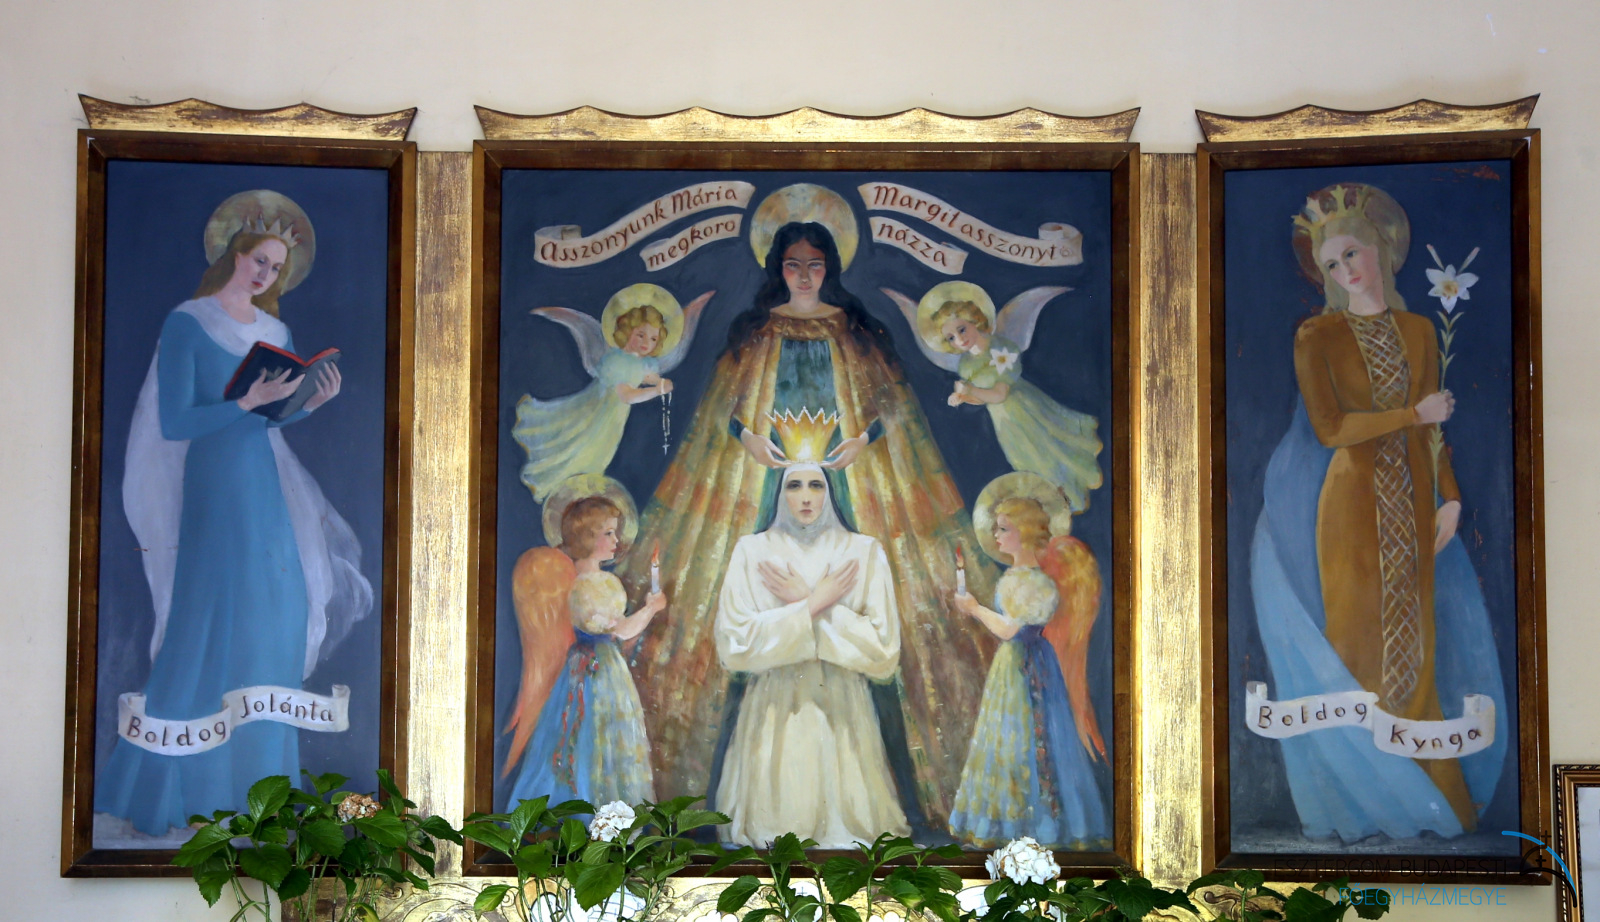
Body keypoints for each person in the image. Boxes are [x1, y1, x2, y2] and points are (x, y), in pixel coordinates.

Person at [620, 204, 994, 828]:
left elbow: (892, 405)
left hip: (851, 472)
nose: (802, 276)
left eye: (814, 265)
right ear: (778, 268)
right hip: (764, 473)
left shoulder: (855, 333)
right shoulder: (756, 333)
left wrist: (863, 441)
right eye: (792, 265)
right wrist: (745, 436)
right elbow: (725, 407)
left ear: (829, 269)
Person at [97, 193, 370, 838]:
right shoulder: (187, 323)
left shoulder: (276, 334)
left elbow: (269, 422)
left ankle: (255, 792)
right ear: (234, 255)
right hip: (214, 487)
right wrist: (248, 401)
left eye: (275, 268)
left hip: (263, 485)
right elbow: (176, 422)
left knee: (273, 617)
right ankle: (178, 791)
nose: (264, 275)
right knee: (208, 620)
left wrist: (308, 404)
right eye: (258, 261)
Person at [1249, 182, 1507, 841]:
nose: (1344, 271)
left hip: (1414, 500)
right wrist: (1410, 414)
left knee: (1417, 644)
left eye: (1352, 254)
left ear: (1382, 251)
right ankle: (1356, 809)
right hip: (1351, 505)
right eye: (1330, 264)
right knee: (1356, 642)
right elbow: (1331, 429)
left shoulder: (1420, 331)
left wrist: (1451, 496)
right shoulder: (1317, 335)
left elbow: (1433, 431)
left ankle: (1426, 802)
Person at [713, 462, 908, 847]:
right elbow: (734, 645)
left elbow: (884, 650)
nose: (805, 497)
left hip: (842, 706)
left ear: (832, 490)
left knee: (848, 832)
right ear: (778, 491)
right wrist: (815, 604)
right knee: (775, 831)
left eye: (816, 485)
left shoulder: (864, 551)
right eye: (795, 485)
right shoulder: (752, 550)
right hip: (774, 705)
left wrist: (804, 601)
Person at [947, 473, 1108, 849]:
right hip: (1019, 665)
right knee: (1009, 739)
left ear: (1025, 532)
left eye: (1003, 529)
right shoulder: (1017, 577)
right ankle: (1013, 823)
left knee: (1030, 738)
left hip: (1026, 669)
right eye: (996, 529)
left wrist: (973, 608)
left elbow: (1009, 629)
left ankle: (1040, 828)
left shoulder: (1033, 582)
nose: (996, 536)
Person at [504, 477, 664, 808]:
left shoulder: (578, 578)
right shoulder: (594, 583)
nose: (617, 541)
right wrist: (651, 608)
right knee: (597, 737)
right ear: (587, 537)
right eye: (608, 533)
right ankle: (593, 811)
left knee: (582, 738)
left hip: (584, 666)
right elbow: (621, 630)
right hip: (599, 671)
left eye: (615, 533)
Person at [512, 286, 713, 502]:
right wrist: (656, 390)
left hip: (613, 423)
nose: (646, 343)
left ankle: (580, 494)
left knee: (600, 455)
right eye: (641, 335)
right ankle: (562, 489)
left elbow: (644, 374)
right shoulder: (615, 361)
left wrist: (659, 381)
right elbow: (627, 395)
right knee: (578, 450)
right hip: (596, 417)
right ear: (626, 331)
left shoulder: (640, 361)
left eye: (653, 339)